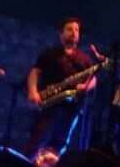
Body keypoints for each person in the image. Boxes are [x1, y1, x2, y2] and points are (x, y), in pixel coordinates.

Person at [25, 17, 97, 159]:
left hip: (72, 107)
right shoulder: (50, 54)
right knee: (38, 139)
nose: (74, 32)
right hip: (49, 103)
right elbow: (34, 72)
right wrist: (33, 92)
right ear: (61, 34)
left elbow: (93, 78)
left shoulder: (85, 58)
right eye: (69, 29)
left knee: (61, 143)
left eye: (76, 30)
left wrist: (85, 86)